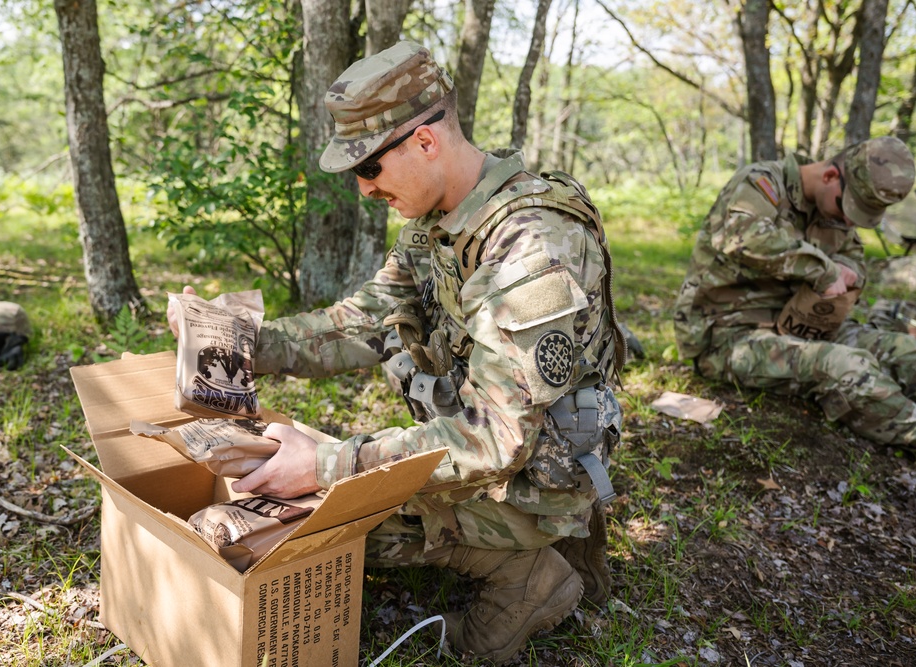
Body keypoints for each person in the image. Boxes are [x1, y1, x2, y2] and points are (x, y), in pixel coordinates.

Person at [169, 41, 626, 662]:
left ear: (426, 141)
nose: (363, 189)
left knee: (310, 519)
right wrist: (241, 340)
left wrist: (330, 466)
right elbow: (362, 322)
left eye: (370, 168)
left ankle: (528, 577)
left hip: (527, 483)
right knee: (306, 500)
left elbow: (497, 439)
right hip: (484, 455)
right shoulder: (438, 226)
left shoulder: (530, 246)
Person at [674, 135, 916, 467]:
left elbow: (855, 260)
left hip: (807, 326)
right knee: (846, 367)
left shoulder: (837, 213)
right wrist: (825, 270)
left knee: (908, 353)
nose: (850, 222)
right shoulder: (761, 183)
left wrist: (851, 272)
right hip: (729, 336)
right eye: (848, 209)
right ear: (829, 177)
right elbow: (743, 237)